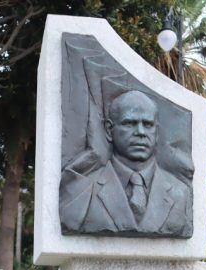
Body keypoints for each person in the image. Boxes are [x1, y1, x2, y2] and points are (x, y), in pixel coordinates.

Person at [59, 90, 192, 238]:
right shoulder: (81, 192)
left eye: (148, 124)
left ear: (157, 133)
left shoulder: (181, 194)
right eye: (129, 123)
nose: (141, 132)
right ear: (109, 130)